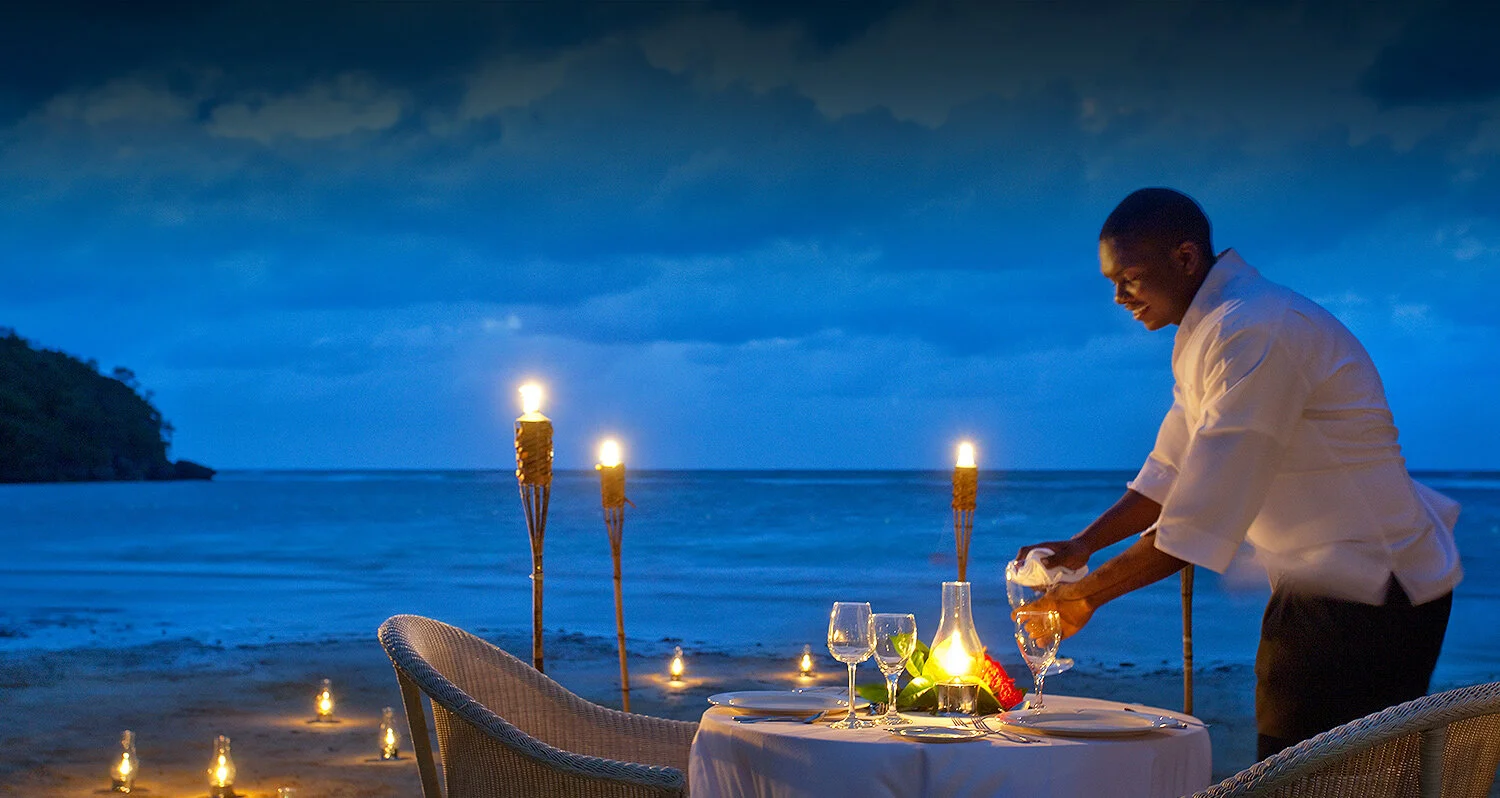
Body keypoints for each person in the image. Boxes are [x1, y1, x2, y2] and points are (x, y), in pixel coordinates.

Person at [1016, 187, 1462, 760]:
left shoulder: (1254, 328)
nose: (1120, 296)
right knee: (1307, 763)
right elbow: (1171, 470)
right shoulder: (1208, 330)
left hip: (1372, 585)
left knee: (1306, 769)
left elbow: (1204, 512)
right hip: (1331, 580)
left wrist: (1085, 598)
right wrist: (1081, 548)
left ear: (1184, 257)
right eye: (1111, 282)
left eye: (1129, 276)